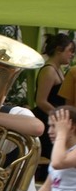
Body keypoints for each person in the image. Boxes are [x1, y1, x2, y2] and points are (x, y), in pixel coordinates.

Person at [33, 33, 75, 163]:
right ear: (58, 49)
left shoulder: (58, 70)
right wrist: (59, 117)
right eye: (70, 51)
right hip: (46, 118)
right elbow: (41, 101)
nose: (72, 55)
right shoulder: (49, 71)